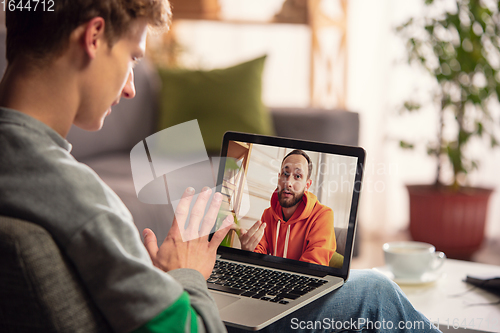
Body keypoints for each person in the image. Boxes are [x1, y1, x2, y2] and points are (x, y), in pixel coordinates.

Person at [0, 1, 441, 332]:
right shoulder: (87, 206)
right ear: (94, 37)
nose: (132, 87)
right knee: (376, 293)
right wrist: (187, 275)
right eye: (134, 55)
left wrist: (159, 279)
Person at [238, 150, 336, 266]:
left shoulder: (323, 215)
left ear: (307, 185)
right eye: (285, 173)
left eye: (298, 176)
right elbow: (259, 252)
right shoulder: (268, 215)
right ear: (279, 178)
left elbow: (313, 269)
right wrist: (249, 253)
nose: (288, 182)